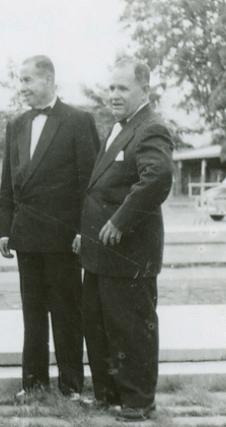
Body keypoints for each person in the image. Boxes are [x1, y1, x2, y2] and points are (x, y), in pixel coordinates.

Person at [75, 58, 173, 422]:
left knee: (131, 329)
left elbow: (157, 178)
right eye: (111, 87)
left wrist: (119, 221)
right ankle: (110, 396)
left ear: (144, 90)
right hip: (100, 251)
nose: (113, 95)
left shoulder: (150, 128)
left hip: (129, 252)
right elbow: (103, 186)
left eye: (122, 89)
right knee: (100, 326)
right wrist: (82, 234)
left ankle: (138, 402)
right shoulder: (121, 126)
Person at [0, 55, 99, 398]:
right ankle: (34, 385)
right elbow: (7, 181)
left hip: (63, 238)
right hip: (25, 236)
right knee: (32, 314)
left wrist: (84, 231)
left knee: (68, 314)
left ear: (48, 80)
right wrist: (5, 229)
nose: (22, 87)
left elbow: (89, 182)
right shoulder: (15, 124)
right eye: (20, 80)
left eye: (27, 80)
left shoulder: (78, 121)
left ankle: (71, 386)